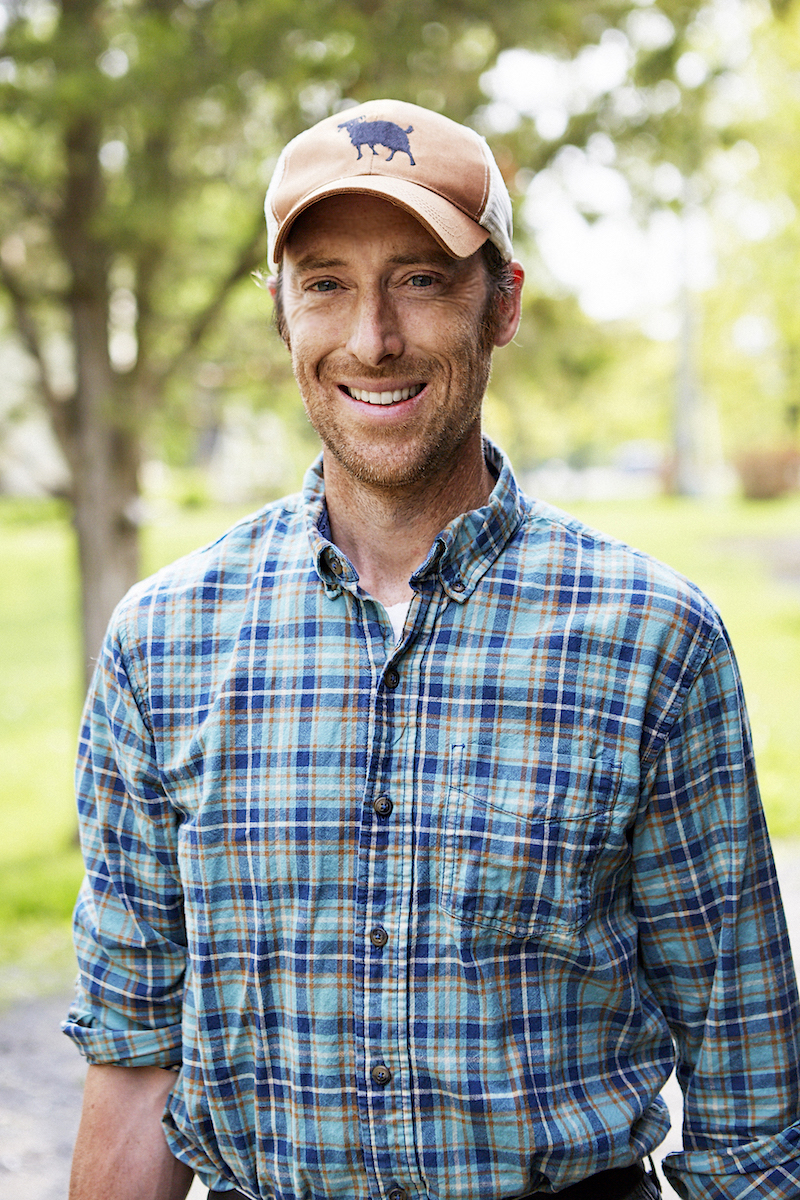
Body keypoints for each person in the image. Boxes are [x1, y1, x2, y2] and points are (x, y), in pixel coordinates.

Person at [63, 99, 799, 1200]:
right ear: (281, 311)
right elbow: (135, 1064)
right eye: (325, 282)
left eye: (417, 276)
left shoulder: (652, 640)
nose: (371, 340)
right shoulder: (163, 645)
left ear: (499, 303)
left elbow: (749, 1099)